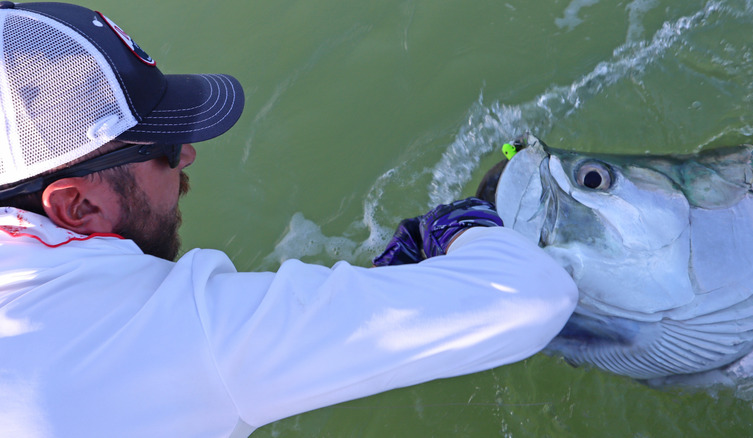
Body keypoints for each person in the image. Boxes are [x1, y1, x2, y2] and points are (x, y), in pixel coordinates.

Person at [0, 2, 577, 437]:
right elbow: (528, 296)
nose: (189, 155)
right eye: (166, 147)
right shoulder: (165, 333)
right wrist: (461, 228)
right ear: (79, 206)